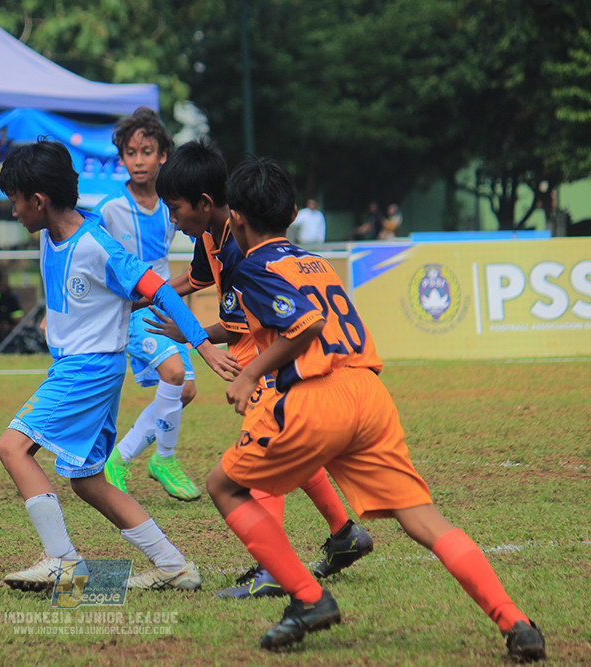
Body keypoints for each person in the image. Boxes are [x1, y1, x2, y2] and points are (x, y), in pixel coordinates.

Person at [204, 155, 544, 659]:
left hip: (317, 396)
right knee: (424, 519)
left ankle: (309, 597)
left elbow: (305, 325)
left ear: (234, 218)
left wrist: (250, 373)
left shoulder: (253, 266)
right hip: (368, 392)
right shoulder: (315, 262)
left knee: (223, 486)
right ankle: (515, 622)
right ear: (294, 213)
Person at [0, 139, 240, 592]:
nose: (13, 211)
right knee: (88, 480)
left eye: (15, 201)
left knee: (12, 447)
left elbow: (160, 290)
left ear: (39, 200)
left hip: (86, 370)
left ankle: (62, 561)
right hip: (85, 367)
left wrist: (202, 345)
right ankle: (172, 565)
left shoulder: (97, 245)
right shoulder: (58, 231)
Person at [148, 139, 373, 599]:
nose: (172, 220)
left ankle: (273, 568)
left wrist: (191, 333)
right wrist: (148, 292)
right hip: (260, 354)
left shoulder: (239, 250)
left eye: (174, 209)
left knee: (266, 451)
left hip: (263, 358)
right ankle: (344, 533)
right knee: (286, 446)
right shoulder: (209, 234)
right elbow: (196, 278)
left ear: (204, 203)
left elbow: (236, 328)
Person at [95, 106, 200, 501]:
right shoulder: (109, 209)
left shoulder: (173, 206)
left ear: (163, 156)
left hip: (166, 306)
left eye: (146, 151)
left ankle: (133, 459)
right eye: (131, 153)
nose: (138, 160)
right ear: (122, 158)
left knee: (186, 390)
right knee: (174, 374)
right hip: (134, 311)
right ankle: (151, 459)